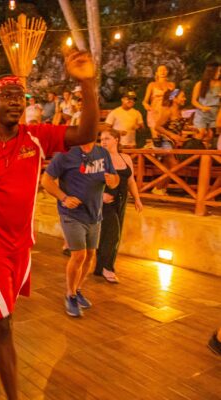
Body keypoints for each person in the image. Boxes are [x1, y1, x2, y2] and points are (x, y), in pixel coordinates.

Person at [0, 49, 99, 400]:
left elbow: (87, 131)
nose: (16, 103)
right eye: (6, 96)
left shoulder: (36, 137)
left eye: (20, 98)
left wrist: (87, 82)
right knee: (3, 322)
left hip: (21, 247)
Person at [42, 140, 119, 318]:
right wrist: (63, 197)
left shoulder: (102, 153)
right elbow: (46, 180)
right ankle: (70, 295)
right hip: (72, 213)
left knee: (91, 254)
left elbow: (114, 180)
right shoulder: (66, 153)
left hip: (94, 213)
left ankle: (77, 288)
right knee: (79, 254)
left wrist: (112, 180)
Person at [94, 129, 143, 283]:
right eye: (102, 139)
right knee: (113, 233)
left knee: (113, 234)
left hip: (122, 200)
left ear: (116, 139)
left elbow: (131, 181)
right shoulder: (98, 159)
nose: (103, 142)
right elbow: (89, 182)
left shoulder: (126, 158)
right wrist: (100, 196)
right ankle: (108, 268)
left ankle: (100, 267)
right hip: (105, 201)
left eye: (107, 138)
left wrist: (137, 198)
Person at [152, 89, 189, 196]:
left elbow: (177, 127)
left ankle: (159, 189)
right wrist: (172, 135)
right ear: (174, 98)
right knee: (174, 166)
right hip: (165, 142)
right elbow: (157, 126)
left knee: (169, 169)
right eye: (182, 96)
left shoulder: (180, 112)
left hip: (174, 143)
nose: (185, 98)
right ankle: (158, 188)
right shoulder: (167, 111)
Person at [142, 65, 175, 141]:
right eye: (160, 70)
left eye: (164, 70)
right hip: (154, 112)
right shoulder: (151, 85)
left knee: (167, 138)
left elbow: (174, 100)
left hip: (166, 113)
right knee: (156, 138)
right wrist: (147, 106)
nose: (162, 72)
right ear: (156, 73)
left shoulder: (172, 85)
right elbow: (145, 101)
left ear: (167, 72)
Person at [191, 63, 220, 147]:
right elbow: (194, 101)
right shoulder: (200, 84)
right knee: (200, 134)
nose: (219, 73)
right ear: (210, 72)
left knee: (210, 137)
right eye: (217, 71)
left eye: (219, 71)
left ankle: (207, 156)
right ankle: (193, 153)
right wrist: (202, 107)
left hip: (216, 114)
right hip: (202, 113)